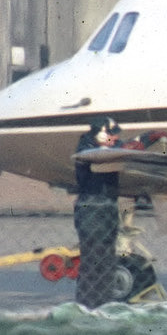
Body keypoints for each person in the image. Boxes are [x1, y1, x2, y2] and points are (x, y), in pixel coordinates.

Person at [73, 117, 122, 308]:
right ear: (101, 134)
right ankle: (89, 304)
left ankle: (102, 302)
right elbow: (104, 153)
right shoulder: (89, 151)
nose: (115, 138)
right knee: (94, 262)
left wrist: (146, 139)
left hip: (105, 209)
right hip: (93, 211)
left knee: (105, 261)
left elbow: (121, 145)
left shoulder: (99, 148)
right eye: (111, 134)